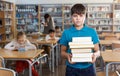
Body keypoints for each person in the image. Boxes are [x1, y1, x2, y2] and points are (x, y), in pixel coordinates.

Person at [59, 4, 100, 76]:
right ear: (71, 17)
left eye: (81, 16)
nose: (78, 18)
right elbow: (62, 52)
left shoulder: (92, 32)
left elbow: (98, 51)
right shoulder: (66, 33)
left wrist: (95, 55)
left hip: (88, 67)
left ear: (85, 17)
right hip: (71, 68)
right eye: (75, 16)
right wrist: (67, 55)